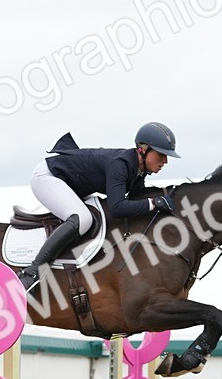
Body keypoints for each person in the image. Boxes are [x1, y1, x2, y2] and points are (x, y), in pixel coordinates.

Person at [17, 122, 180, 293]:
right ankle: (31, 272)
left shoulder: (138, 170)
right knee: (82, 219)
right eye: (161, 155)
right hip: (47, 177)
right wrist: (154, 203)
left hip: (70, 183)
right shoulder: (120, 164)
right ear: (143, 150)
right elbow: (117, 208)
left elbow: (136, 199)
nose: (165, 161)